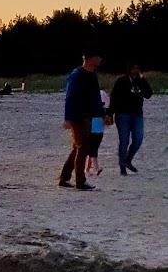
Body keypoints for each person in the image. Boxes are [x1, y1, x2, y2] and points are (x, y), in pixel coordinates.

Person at [58, 51, 103, 191]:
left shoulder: (92, 75)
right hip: (77, 116)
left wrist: (102, 114)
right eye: (98, 57)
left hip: (87, 116)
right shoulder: (77, 75)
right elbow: (69, 97)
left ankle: (64, 178)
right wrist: (68, 118)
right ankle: (80, 181)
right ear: (90, 59)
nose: (100, 59)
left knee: (78, 147)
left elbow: (95, 97)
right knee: (83, 147)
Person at [108, 64, 153, 175]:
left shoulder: (140, 80)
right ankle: (122, 166)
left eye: (137, 68)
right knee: (124, 141)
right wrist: (110, 114)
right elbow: (113, 98)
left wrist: (143, 80)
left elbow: (148, 94)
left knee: (138, 139)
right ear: (129, 69)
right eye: (133, 68)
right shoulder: (121, 80)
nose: (135, 70)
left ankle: (128, 160)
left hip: (137, 114)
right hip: (122, 114)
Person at [86, 97, 108, 175]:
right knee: (93, 150)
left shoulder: (102, 110)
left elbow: (107, 121)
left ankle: (87, 169)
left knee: (93, 150)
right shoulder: (99, 110)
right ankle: (96, 168)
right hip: (94, 132)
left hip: (98, 132)